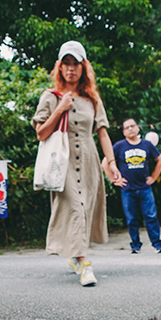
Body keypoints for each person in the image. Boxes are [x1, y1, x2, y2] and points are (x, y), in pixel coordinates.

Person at [32, 41, 120, 286]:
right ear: (59, 68)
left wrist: (111, 163)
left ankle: (75, 257)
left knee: (84, 209)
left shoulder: (93, 100)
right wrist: (60, 108)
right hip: (63, 162)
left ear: (83, 68)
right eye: (66, 64)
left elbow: (102, 132)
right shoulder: (50, 97)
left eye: (76, 64)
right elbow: (40, 133)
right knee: (75, 207)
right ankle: (84, 262)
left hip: (90, 160)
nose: (71, 69)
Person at [103, 118, 161, 254]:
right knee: (131, 219)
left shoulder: (147, 145)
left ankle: (157, 245)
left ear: (138, 128)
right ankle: (135, 245)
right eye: (127, 127)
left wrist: (154, 177)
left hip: (145, 188)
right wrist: (114, 180)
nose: (130, 129)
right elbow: (104, 163)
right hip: (127, 189)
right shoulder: (119, 146)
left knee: (151, 216)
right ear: (124, 131)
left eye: (132, 126)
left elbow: (160, 159)